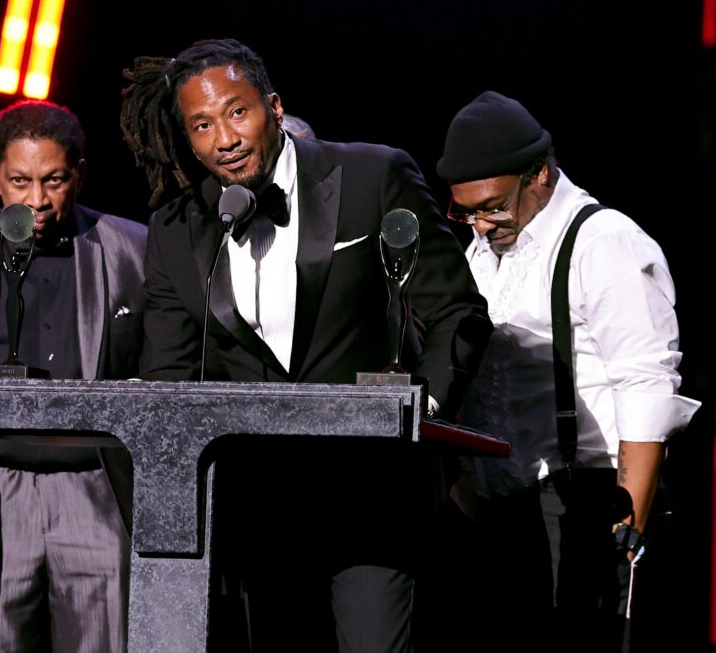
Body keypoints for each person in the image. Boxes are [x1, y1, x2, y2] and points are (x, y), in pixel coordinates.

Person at [119, 38, 491, 653]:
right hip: (262, 509)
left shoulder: (374, 176)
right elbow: (169, 376)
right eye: (203, 125)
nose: (225, 139)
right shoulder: (176, 228)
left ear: (273, 106)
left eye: (237, 112)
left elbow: (457, 312)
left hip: (373, 499)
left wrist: (421, 410)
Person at [435, 91, 701, 652]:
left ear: (539, 174)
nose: (479, 226)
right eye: (466, 211)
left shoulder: (604, 243)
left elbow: (646, 386)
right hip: (504, 504)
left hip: (584, 498)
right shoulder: (483, 251)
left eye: (492, 206)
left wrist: (625, 528)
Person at [0, 99, 146, 653]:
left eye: (54, 180)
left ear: (80, 174)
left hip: (95, 487)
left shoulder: (133, 250)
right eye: (20, 181)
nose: (37, 201)